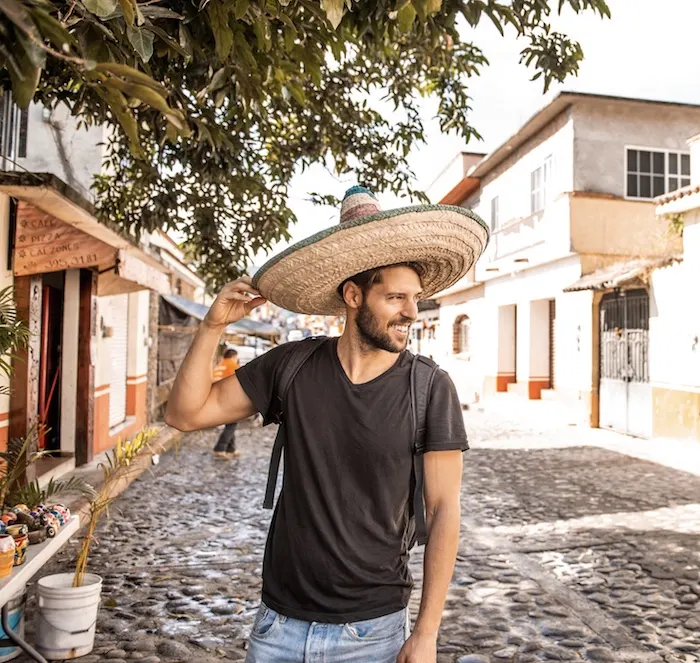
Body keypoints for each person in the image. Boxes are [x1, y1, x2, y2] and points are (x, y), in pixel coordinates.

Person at [165, 187, 489, 663]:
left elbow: (444, 512)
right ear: (353, 295)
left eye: (415, 298)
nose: (412, 313)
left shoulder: (429, 388)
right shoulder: (291, 366)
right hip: (277, 625)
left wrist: (426, 633)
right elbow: (184, 414)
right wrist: (213, 326)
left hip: (373, 634)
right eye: (396, 297)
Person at [211, 348, 241, 458]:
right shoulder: (232, 365)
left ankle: (231, 449)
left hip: (217, 396)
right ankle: (220, 448)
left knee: (231, 421)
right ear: (234, 356)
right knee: (232, 423)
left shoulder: (220, 365)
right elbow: (239, 381)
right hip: (229, 397)